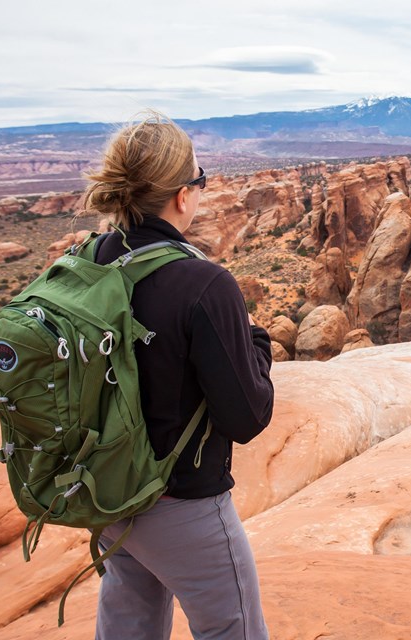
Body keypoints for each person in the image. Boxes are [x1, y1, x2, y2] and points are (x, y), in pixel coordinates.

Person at [82, 111, 274, 640]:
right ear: (183, 195)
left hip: (110, 494)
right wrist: (257, 342)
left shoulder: (92, 260)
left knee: (129, 627)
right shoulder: (202, 283)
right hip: (182, 505)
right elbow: (248, 415)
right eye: (199, 182)